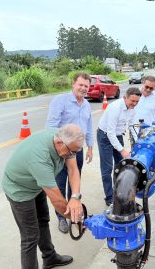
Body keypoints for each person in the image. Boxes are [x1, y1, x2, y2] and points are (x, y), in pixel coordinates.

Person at [1, 124, 84, 269]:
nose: (72, 154)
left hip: (37, 184)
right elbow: (58, 201)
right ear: (59, 143)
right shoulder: (40, 158)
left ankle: (50, 257)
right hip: (19, 190)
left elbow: (73, 169)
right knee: (30, 237)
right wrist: (77, 218)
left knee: (43, 220)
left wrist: (75, 197)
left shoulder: (65, 139)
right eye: (71, 152)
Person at [46, 72, 93, 233]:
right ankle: (61, 218)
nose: (83, 88)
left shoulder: (86, 104)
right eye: (80, 85)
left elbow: (88, 127)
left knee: (74, 181)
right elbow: (52, 125)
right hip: (61, 150)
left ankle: (72, 211)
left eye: (86, 86)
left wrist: (90, 147)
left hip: (77, 150)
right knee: (59, 183)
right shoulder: (61, 101)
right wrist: (57, 148)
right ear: (73, 84)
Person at [97, 87, 141, 206]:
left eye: (137, 101)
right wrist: (122, 150)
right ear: (125, 97)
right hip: (105, 136)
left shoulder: (132, 109)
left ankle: (121, 192)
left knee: (122, 166)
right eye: (132, 101)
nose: (134, 104)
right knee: (107, 169)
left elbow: (132, 126)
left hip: (118, 135)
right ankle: (109, 198)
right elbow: (110, 133)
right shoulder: (115, 108)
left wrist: (138, 142)